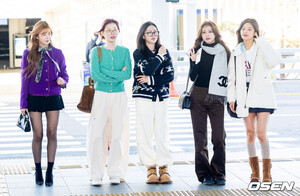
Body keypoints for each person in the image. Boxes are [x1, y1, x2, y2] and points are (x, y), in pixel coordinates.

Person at [227, 18, 281, 183]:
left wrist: (262, 41)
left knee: (261, 134)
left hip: (262, 95)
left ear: (255, 32)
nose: (245, 31)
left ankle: (267, 172)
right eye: (243, 28)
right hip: (244, 97)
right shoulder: (237, 51)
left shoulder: (262, 47)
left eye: (249, 29)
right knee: (250, 134)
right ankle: (255, 172)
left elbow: (275, 61)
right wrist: (232, 98)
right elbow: (231, 77)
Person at [20, 20, 69, 186]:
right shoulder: (28, 54)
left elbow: (64, 73)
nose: (47, 37)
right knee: (38, 135)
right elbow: (24, 79)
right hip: (35, 98)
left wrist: (63, 80)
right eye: (44, 34)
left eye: (49, 33)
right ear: (36, 36)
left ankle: (50, 171)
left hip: (54, 97)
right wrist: (23, 104)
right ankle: (38, 170)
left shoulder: (58, 53)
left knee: (52, 133)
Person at [87, 18, 132, 186]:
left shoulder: (125, 51)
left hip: (120, 96)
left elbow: (127, 75)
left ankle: (116, 171)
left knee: (118, 135)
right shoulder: (96, 52)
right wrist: (115, 73)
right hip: (101, 96)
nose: (112, 33)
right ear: (102, 33)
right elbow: (96, 75)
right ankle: (96, 174)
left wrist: (106, 72)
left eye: (115, 29)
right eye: (108, 30)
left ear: (118, 32)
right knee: (97, 135)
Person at [187, 20, 230, 185]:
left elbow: (230, 74)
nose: (207, 34)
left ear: (215, 33)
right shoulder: (197, 50)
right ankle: (205, 173)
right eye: (204, 32)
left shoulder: (224, 51)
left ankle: (219, 172)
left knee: (219, 136)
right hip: (198, 95)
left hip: (217, 96)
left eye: (210, 31)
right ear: (201, 34)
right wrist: (193, 61)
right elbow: (193, 77)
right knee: (200, 137)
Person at [132, 21, 174, 184]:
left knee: (162, 131)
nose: (153, 35)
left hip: (161, 97)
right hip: (143, 97)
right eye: (149, 32)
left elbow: (169, 75)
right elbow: (145, 69)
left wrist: (150, 79)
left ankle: (163, 166)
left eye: (155, 32)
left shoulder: (165, 51)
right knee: (145, 131)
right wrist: (159, 58)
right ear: (143, 35)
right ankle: (150, 167)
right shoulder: (138, 53)